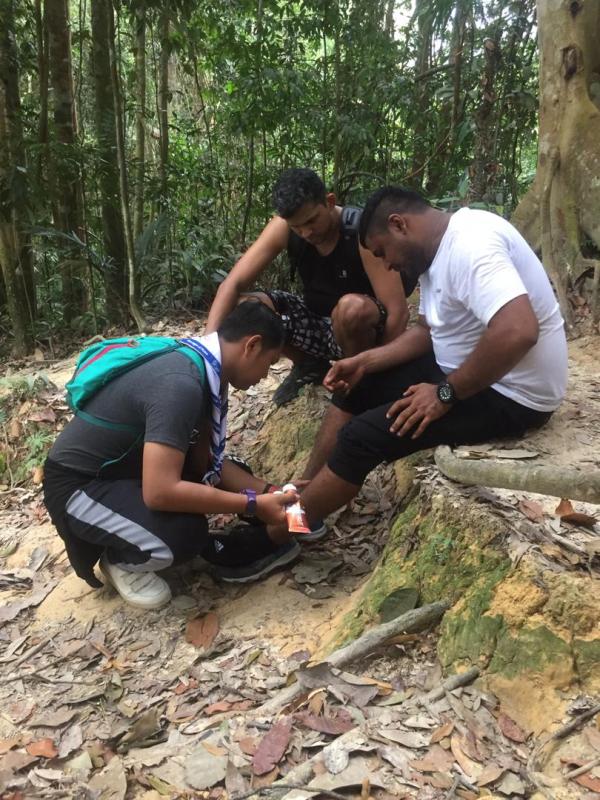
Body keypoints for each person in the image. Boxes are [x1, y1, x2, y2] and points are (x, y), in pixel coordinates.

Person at [276, 186, 568, 532]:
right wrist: (366, 362)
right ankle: (298, 497)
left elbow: (518, 330)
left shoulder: (471, 244)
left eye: (382, 252)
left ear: (400, 225)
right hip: (463, 371)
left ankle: (278, 534)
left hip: (514, 395)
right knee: (356, 387)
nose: (386, 264)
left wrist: (445, 393)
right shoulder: (435, 253)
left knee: (360, 439)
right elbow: (428, 330)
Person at [43, 302, 301, 610]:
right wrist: (250, 504)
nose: (265, 375)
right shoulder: (181, 384)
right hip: (78, 486)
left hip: (123, 472)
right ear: (252, 345)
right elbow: (160, 492)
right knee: (181, 536)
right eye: (269, 363)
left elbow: (205, 463)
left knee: (226, 479)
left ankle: (131, 528)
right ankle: (121, 559)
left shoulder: (202, 365)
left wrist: (268, 492)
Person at [205, 168, 410, 405]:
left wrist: (377, 367)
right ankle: (308, 364)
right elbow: (232, 283)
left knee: (351, 308)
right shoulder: (283, 227)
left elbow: (398, 312)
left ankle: (359, 379)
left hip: (364, 332)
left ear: (329, 202)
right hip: (317, 324)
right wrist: (207, 353)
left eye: (312, 220)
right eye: (297, 227)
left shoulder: (361, 232)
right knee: (244, 306)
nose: (306, 232)